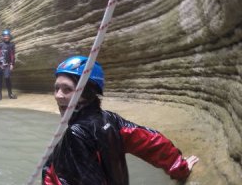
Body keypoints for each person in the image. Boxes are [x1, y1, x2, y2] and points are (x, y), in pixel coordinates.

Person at [42, 55, 199, 185]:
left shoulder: (76, 134)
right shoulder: (110, 119)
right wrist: (179, 166)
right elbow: (150, 142)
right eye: (56, 88)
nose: (58, 95)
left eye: (67, 89)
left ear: (87, 93)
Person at [0, 29, 16, 100]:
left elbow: (12, 55)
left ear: (9, 36)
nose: (6, 37)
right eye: (5, 36)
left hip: (7, 65)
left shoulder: (11, 45)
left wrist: (12, 64)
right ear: (3, 37)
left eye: (7, 36)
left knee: (7, 78)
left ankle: (10, 94)